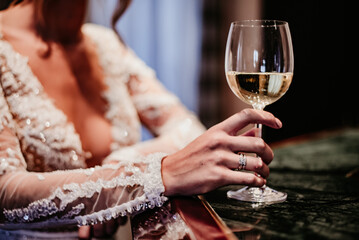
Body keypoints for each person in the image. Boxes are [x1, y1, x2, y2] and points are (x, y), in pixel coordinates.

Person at [0, 0, 282, 238]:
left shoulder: (105, 45)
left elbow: (187, 129)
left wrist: (121, 164)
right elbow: (5, 190)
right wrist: (155, 175)